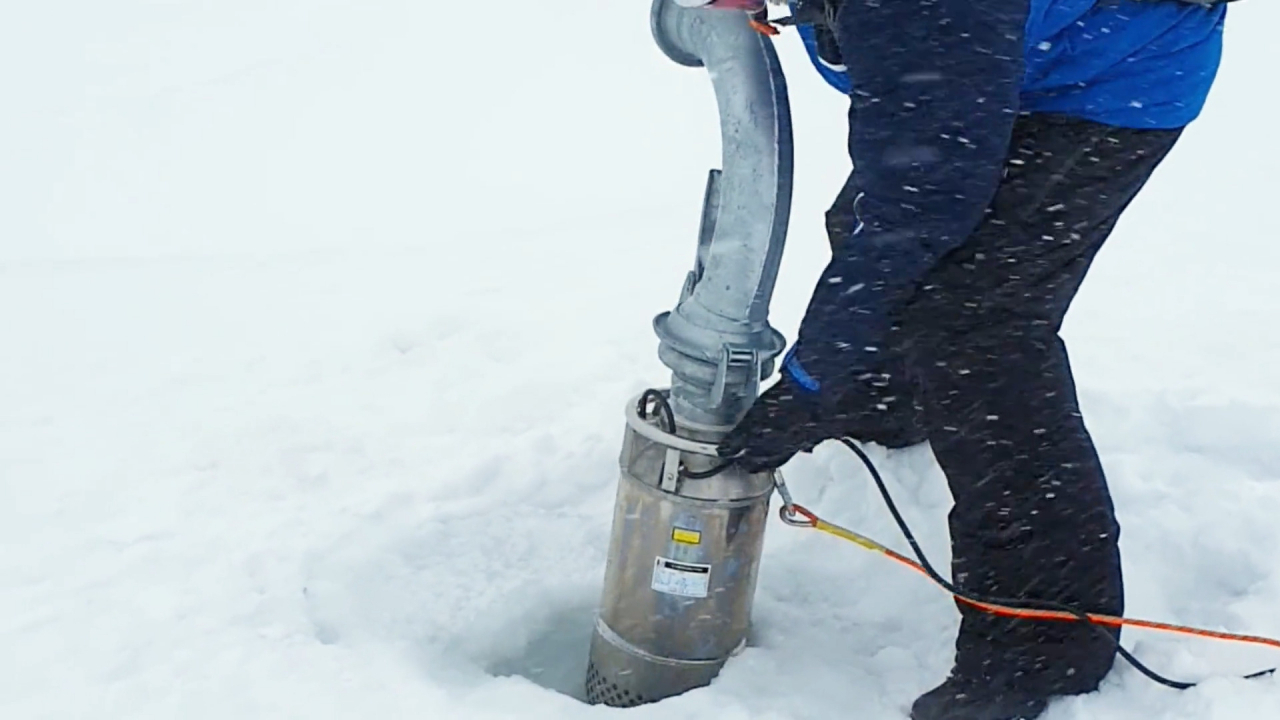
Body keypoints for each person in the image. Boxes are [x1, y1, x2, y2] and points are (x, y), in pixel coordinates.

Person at [711, 1, 1231, 719]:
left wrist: (811, 382)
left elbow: (920, 204)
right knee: (878, 243)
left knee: (977, 328)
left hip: (1111, 74)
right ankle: (892, 400)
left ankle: (1045, 638)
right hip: (1001, 52)